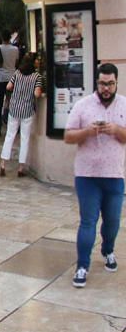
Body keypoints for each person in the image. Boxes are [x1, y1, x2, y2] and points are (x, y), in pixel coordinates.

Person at [65, 63, 125, 289]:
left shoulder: (124, 105)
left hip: (114, 175)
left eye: (110, 83)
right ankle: (82, 265)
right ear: (96, 83)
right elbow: (69, 137)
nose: (106, 88)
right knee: (88, 221)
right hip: (87, 175)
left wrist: (116, 131)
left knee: (112, 222)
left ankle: (108, 250)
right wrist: (88, 132)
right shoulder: (83, 105)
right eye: (102, 83)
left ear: (116, 82)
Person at [0, 54, 43, 178]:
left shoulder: (17, 73)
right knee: (25, 138)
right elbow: (37, 94)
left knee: (9, 135)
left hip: (14, 108)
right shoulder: (37, 77)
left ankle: (3, 164)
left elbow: (8, 86)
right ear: (34, 63)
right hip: (27, 110)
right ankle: (20, 168)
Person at [0, 31, 20, 138]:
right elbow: (17, 62)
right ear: (10, 38)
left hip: (1, 77)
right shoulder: (15, 49)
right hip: (12, 77)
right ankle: (14, 125)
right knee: (12, 102)